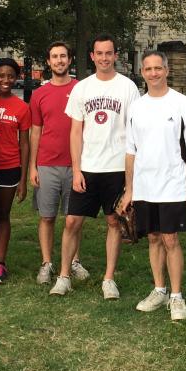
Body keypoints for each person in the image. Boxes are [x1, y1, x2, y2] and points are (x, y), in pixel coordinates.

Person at [49, 34, 140, 299]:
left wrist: (130, 179)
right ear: (92, 56)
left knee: (114, 221)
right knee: (71, 222)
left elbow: (133, 132)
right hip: (88, 167)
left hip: (116, 167)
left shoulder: (128, 88)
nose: (103, 58)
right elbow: (75, 132)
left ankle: (109, 278)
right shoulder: (82, 88)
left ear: (115, 55)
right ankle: (64, 275)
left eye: (108, 53)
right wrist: (76, 170)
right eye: (99, 53)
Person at [118, 50, 186, 321]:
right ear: (142, 72)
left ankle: (177, 297)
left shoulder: (181, 104)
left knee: (170, 239)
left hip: (173, 184)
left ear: (166, 70)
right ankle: (159, 290)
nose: (153, 73)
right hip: (145, 186)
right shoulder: (136, 107)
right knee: (153, 238)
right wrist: (129, 189)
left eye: (158, 68)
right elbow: (130, 151)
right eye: (148, 69)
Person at [28, 42, 86, 285]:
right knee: (47, 217)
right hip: (47, 163)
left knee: (74, 218)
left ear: (70, 60)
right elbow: (35, 131)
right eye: (54, 57)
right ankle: (47, 262)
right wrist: (32, 165)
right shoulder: (39, 94)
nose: (59, 60)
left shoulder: (82, 89)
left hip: (76, 164)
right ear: (48, 61)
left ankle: (73, 261)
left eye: (63, 56)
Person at [0, 58, 31, 283]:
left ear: (16, 78)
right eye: (1, 75)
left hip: (10, 167)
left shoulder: (22, 107)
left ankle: (1, 263)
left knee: (3, 215)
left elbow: (24, 143)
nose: (5, 80)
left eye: (10, 76)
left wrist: (23, 179)